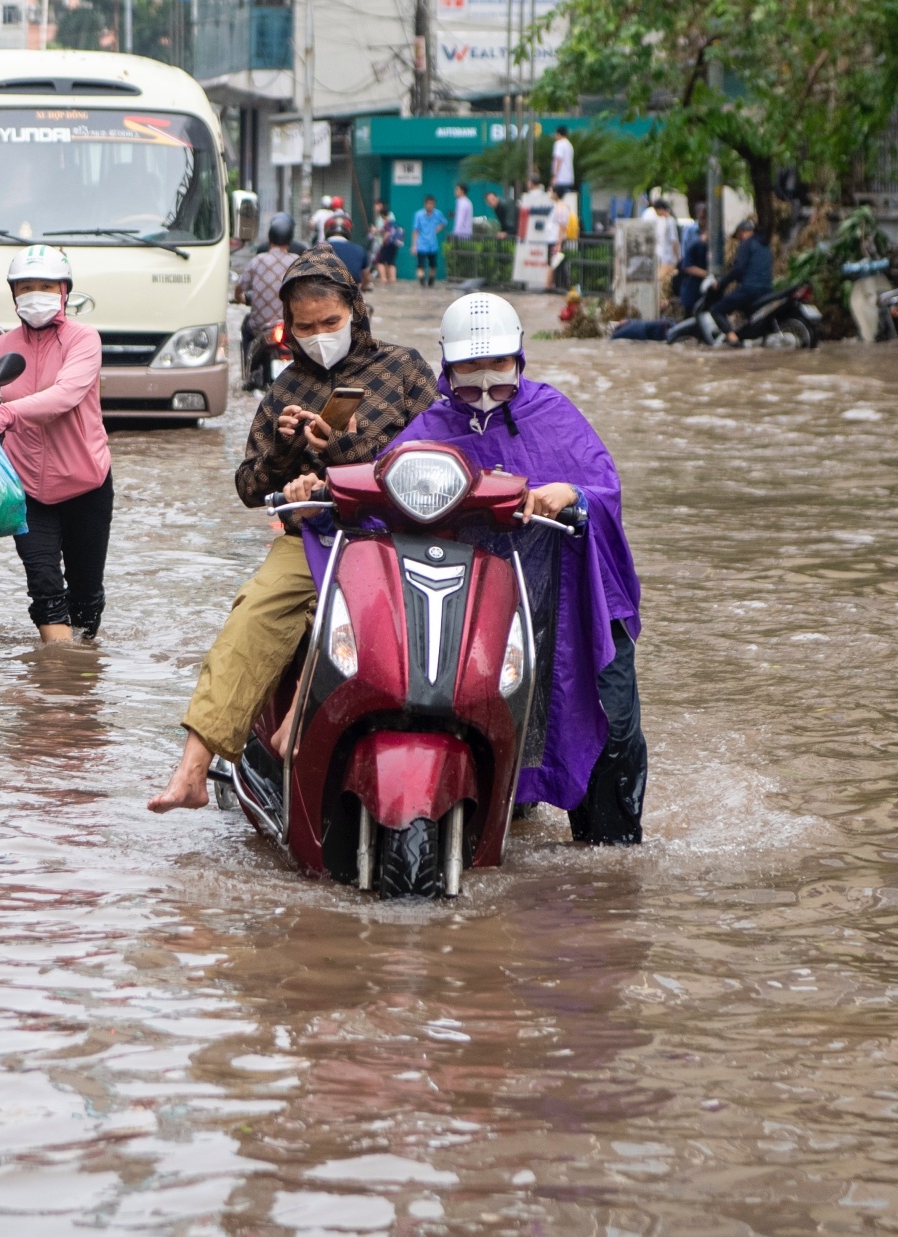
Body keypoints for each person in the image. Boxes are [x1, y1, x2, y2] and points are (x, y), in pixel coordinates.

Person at [150, 247, 439, 812]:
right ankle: (192, 768)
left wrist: (344, 449)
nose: (319, 335)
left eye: (330, 322)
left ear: (355, 308)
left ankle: (303, 724)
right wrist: (288, 456)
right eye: (304, 327)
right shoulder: (284, 390)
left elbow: (437, 456)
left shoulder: (404, 369)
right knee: (254, 611)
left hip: (396, 536)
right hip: (313, 537)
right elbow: (249, 488)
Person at [384, 293, 647, 842]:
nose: (483, 387)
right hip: (478, 609)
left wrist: (570, 493)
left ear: (520, 358)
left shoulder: (553, 414)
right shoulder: (426, 432)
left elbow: (606, 493)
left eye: (498, 372)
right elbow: (379, 498)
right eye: (468, 373)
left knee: (610, 724)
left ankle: (611, 858)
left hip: (574, 602)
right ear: (445, 366)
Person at [0, 245, 111, 644]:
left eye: (47, 285)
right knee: (44, 586)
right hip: (27, 487)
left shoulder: (84, 339)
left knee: (86, 596)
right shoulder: (4, 346)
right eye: (26, 286)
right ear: (14, 293)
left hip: (86, 483)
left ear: (64, 291)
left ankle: (82, 679)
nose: (36, 293)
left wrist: (4, 415)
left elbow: (65, 395)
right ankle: (55, 687)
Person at [236, 213, 301, 358]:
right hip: (292, 327)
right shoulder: (297, 261)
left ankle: (247, 369)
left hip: (261, 328)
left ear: (269, 239)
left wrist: (239, 297)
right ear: (290, 241)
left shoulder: (257, 260)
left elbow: (240, 288)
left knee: (246, 327)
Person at [708, 218, 773, 343]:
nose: (738, 240)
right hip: (767, 290)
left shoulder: (746, 244)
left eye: (738, 236)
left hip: (750, 290)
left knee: (716, 310)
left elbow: (738, 270)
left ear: (742, 232)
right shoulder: (765, 246)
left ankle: (733, 339)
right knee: (746, 313)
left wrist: (721, 284)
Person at [322, 215, 369, 286]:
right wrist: (365, 287)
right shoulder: (359, 250)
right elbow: (366, 277)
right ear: (349, 230)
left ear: (327, 230)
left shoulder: (317, 248)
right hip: (351, 290)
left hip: (325, 289)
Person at [412, 194, 445, 287]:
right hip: (421, 244)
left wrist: (436, 229)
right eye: (428, 203)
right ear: (425, 204)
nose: (430, 206)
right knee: (420, 265)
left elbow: (444, 222)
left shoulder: (437, 214)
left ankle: (431, 281)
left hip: (432, 244)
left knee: (433, 265)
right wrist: (414, 245)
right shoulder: (419, 215)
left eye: (432, 204)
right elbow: (415, 230)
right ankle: (422, 281)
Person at [366, 201, 402, 283]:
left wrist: (383, 242)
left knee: (380, 261)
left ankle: (383, 279)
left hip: (387, 244)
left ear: (383, 215)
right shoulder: (393, 222)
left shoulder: (387, 222)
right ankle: (393, 279)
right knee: (391, 262)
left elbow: (387, 233)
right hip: (394, 245)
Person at [550, 126, 576, 197]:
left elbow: (558, 160)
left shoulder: (559, 144)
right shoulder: (569, 145)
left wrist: (554, 176)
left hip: (560, 179)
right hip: (569, 179)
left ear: (558, 134)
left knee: (557, 200)